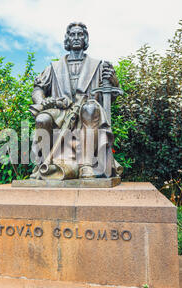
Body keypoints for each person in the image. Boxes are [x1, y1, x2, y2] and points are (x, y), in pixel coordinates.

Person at [29, 22, 122, 180]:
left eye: (80, 34)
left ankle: (86, 165)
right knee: (42, 118)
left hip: (87, 111)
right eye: (73, 35)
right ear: (67, 39)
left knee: (91, 109)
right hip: (61, 112)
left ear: (85, 39)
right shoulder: (54, 67)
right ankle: (44, 165)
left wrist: (114, 82)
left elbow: (110, 97)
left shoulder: (98, 66)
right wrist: (42, 101)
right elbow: (38, 88)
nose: (77, 37)